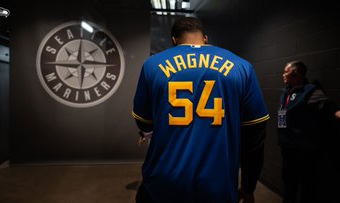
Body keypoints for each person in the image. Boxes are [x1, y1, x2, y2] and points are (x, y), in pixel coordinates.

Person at [132, 16, 269, 203]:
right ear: (205, 38)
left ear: (174, 41)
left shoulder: (151, 65)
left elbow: (144, 121)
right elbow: (255, 136)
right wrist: (248, 187)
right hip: (218, 185)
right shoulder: (242, 67)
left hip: (164, 182)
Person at [277, 61, 340, 203]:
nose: (283, 74)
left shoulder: (310, 91)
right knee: (288, 184)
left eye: (285, 71)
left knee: (307, 186)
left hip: (304, 150)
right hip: (287, 147)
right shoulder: (286, 92)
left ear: (295, 73)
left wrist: (337, 113)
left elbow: (329, 107)